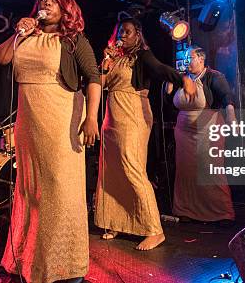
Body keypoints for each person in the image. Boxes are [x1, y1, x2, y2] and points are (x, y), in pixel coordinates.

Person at [0, 0, 101, 283]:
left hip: (61, 114)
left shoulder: (72, 40)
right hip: (29, 119)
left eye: (54, 0)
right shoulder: (27, 36)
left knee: (60, 189)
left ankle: (66, 264)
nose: (47, 3)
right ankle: (30, 259)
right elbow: (1, 58)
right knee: (31, 189)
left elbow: (94, 77)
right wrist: (19, 33)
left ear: (66, 8)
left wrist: (91, 118)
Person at [94, 16, 196, 250]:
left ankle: (154, 229)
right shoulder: (114, 58)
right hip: (112, 116)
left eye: (128, 32)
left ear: (138, 34)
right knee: (111, 172)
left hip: (133, 114)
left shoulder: (142, 55)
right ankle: (116, 221)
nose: (123, 36)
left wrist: (182, 79)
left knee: (132, 169)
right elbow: (97, 84)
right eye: (120, 32)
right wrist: (105, 64)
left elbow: (160, 69)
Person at [165, 45, 236, 224]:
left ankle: (221, 212)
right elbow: (169, 100)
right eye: (186, 58)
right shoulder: (184, 79)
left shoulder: (214, 76)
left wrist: (232, 119)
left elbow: (227, 98)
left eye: (191, 57)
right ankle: (186, 211)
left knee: (210, 168)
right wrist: (171, 81)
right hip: (184, 132)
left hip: (207, 128)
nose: (188, 61)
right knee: (186, 170)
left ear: (201, 59)